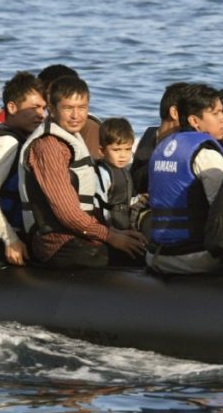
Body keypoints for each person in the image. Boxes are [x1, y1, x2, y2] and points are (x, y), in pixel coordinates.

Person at [18, 75, 145, 268]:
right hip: (56, 242)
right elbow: (67, 213)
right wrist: (110, 236)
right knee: (132, 259)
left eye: (82, 107)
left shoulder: (71, 137)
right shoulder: (48, 147)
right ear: (51, 109)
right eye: (68, 108)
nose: (76, 115)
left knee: (142, 248)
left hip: (78, 233)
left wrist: (117, 232)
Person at [146, 84, 223, 274]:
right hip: (192, 257)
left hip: (156, 255)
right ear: (194, 121)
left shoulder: (161, 148)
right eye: (216, 113)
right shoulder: (206, 154)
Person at [0, 71, 48, 265]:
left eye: (44, 108)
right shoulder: (6, 142)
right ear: (12, 107)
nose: (42, 114)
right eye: (34, 108)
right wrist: (10, 239)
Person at [132, 82, 195, 193]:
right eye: (193, 112)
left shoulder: (192, 141)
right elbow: (135, 182)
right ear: (174, 113)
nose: (196, 119)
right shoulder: (149, 138)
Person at [94, 117, 137, 232]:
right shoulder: (103, 173)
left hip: (123, 228)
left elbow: (124, 200)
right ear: (102, 151)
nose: (123, 155)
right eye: (116, 150)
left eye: (127, 149)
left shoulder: (124, 171)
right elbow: (97, 206)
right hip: (108, 231)